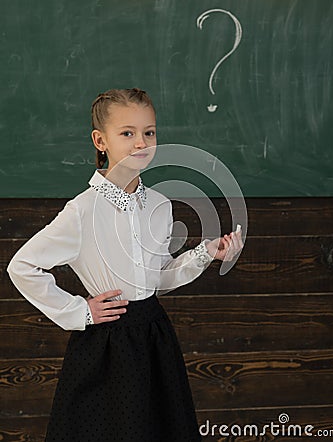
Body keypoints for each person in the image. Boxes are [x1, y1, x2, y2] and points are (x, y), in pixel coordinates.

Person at [7, 88, 244, 442]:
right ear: (100, 140)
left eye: (149, 132)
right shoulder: (83, 211)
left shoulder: (160, 205)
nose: (141, 142)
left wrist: (206, 253)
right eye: (127, 133)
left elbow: (159, 278)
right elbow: (21, 265)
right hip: (105, 344)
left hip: (153, 336)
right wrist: (79, 311)